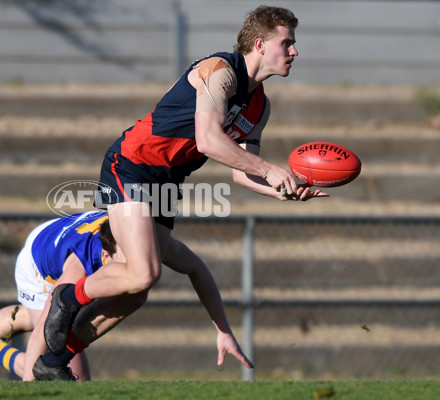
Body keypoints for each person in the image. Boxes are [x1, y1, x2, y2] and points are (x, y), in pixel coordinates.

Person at [33, 5, 328, 381]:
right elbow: (209, 141)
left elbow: (242, 173)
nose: (294, 51)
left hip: (166, 182)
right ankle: (69, 297)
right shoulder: (220, 72)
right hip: (133, 164)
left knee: (136, 291)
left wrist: (284, 191)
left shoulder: (260, 106)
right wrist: (271, 170)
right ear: (260, 44)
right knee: (144, 273)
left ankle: (54, 363)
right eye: (287, 43)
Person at [0, 210, 121, 381]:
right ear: (105, 256)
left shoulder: (136, 241)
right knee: (64, 374)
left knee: (29, 316)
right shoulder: (80, 264)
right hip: (37, 265)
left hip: (55, 234)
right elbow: (41, 334)